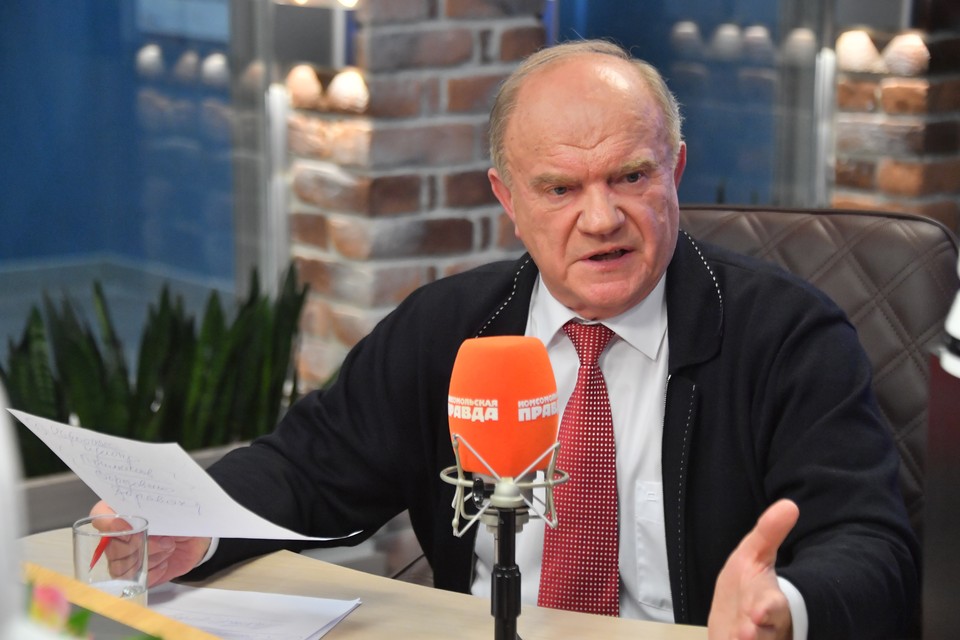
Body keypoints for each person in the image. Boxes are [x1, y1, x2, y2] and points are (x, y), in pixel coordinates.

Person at [93, 39, 919, 638]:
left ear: (675, 169)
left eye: (630, 176)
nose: (601, 218)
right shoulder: (447, 329)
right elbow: (307, 470)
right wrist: (191, 522)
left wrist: (785, 609)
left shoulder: (788, 335)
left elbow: (871, 544)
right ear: (507, 199)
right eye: (560, 188)